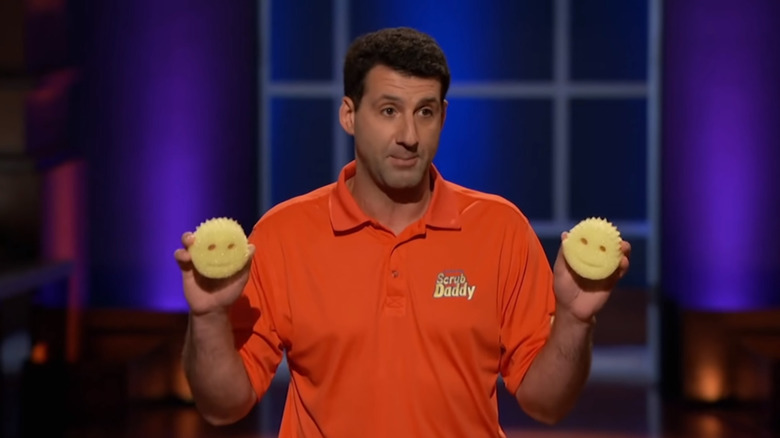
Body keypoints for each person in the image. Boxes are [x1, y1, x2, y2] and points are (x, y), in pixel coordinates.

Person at [175, 27, 631, 437]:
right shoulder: (282, 234)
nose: (409, 134)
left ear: (443, 117)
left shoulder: (501, 229)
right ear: (349, 115)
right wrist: (209, 317)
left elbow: (546, 404)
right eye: (389, 110)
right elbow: (223, 406)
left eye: (425, 112)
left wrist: (574, 320)